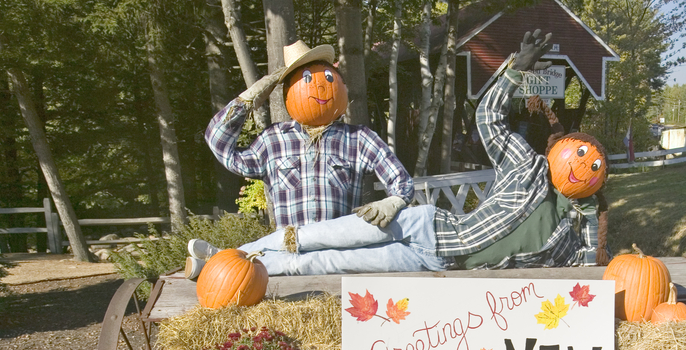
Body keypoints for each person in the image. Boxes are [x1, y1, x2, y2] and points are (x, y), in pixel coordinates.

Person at [189, 30, 610, 277]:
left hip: (432, 263)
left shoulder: (565, 242)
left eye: (594, 166)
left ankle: (229, 268)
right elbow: (489, 118)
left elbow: (590, 268)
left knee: (325, 263)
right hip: (427, 226)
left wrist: (593, 211)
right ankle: (231, 261)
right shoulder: (527, 166)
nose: (582, 165)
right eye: (580, 151)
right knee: (312, 238)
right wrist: (515, 72)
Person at [190, 41, 414, 277]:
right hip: (289, 252)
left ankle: (221, 260)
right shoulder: (273, 140)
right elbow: (219, 144)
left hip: (339, 254)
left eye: (329, 79)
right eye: (307, 80)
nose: (320, 88)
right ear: (289, 92)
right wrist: (248, 99)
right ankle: (224, 262)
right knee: (278, 250)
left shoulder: (358, 139)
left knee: (268, 261)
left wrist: (394, 201)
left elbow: (401, 179)